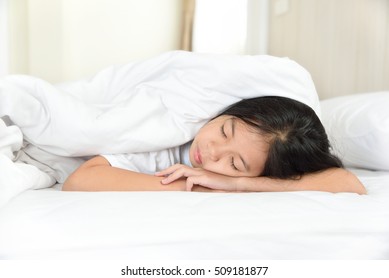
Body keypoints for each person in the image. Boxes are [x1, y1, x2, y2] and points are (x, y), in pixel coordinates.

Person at [62, 96, 366, 194]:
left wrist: (239, 185)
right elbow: (80, 179)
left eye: (234, 164)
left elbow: (350, 183)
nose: (212, 151)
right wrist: (193, 185)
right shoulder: (171, 132)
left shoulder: (246, 179)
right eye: (225, 131)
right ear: (229, 111)